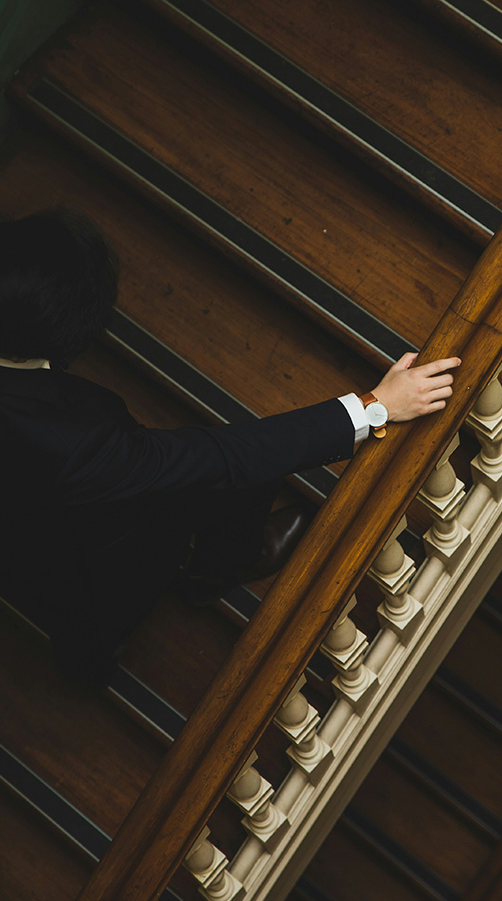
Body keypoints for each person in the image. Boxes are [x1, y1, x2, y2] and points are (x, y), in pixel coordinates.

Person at [0, 208, 460, 684]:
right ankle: (191, 590)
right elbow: (222, 456)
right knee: (239, 481)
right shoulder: (74, 445)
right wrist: (375, 407)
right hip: (77, 553)